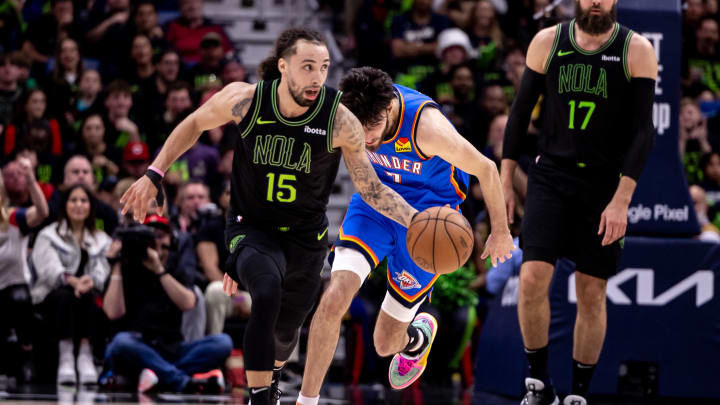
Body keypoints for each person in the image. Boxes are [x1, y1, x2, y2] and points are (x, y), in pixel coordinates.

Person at [120, 27, 421, 405]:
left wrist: (417, 220)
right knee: (266, 292)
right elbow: (195, 122)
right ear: (283, 66)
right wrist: (154, 174)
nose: (317, 77)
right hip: (252, 227)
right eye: (307, 66)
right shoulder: (247, 100)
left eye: (323, 67)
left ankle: (272, 375)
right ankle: (261, 397)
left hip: (305, 238)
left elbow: (371, 188)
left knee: (286, 332)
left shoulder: (339, 120)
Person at [296, 66, 514, 404]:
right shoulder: (345, 117)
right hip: (376, 206)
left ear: (388, 109)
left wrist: (501, 231)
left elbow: (486, 168)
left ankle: (415, 339)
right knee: (334, 295)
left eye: (372, 130)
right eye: (359, 131)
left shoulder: (427, 128)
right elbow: (363, 183)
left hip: (432, 219)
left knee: (385, 344)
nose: (366, 140)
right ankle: (306, 400)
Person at [500, 1, 658, 404]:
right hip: (551, 173)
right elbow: (519, 116)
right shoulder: (548, 42)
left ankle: (579, 395)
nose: (596, 2)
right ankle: (538, 385)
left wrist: (622, 199)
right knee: (533, 278)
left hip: (605, 183)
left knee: (591, 291)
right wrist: (504, 182)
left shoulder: (636, 49)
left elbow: (643, 133)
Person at [102, 214, 232, 393]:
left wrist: (159, 270)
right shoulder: (127, 264)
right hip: (138, 345)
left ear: (171, 240)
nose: (156, 240)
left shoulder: (175, 267)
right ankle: (182, 381)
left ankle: (157, 376)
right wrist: (115, 264)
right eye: (151, 235)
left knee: (222, 343)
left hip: (172, 348)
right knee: (120, 343)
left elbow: (188, 303)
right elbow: (112, 312)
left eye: (161, 235)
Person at [31, 183, 111, 385]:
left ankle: (85, 356)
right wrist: (74, 281)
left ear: (90, 207)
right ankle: (66, 357)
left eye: (83, 201)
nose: (78, 205)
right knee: (67, 294)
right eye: (73, 200)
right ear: (64, 205)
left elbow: (103, 268)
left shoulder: (101, 239)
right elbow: (49, 271)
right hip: (51, 297)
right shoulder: (48, 235)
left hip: (86, 298)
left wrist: (92, 280)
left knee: (88, 296)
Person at [0, 157, 49, 379]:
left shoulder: (12, 218)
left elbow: (41, 213)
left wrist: (30, 180)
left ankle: (24, 351)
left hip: (13, 290)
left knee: (17, 297)